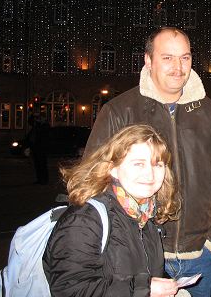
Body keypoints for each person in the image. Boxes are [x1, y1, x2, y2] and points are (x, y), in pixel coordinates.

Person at [84, 27, 211, 296]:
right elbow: (93, 182)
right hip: (137, 256)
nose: (178, 67)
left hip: (199, 256)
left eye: (185, 57)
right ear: (148, 60)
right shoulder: (119, 111)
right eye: (167, 58)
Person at [43, 124, 182, 297]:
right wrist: (144, 289)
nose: (150, 175)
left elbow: (144, 270)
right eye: (138, 164)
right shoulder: (84, 219)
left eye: (158, 165)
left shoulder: (145, 214)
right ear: (113, 168)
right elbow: (70, 289)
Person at [27, 115, 50, 184]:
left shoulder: (45, 126)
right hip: (36, 148)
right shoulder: (36, 126)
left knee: (42, 165)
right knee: (37, 165)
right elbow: (31, 136)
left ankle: (44, 180)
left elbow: (43, 134)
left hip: (41, 149)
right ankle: (40, 179)